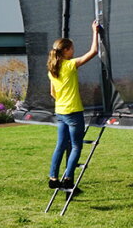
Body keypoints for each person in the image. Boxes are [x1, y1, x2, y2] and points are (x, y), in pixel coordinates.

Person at [46, 20, 99, 190]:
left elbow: (52, 93)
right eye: (72, 49)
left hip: (60, 112)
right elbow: (93, 51)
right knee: (76, 146)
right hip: (73, 112)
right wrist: (95, 32)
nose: (73, 51)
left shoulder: (52, 69)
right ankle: (68, 178)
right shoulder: (69, 65)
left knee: (61, 145)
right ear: (66, 50)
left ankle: (53, 178)